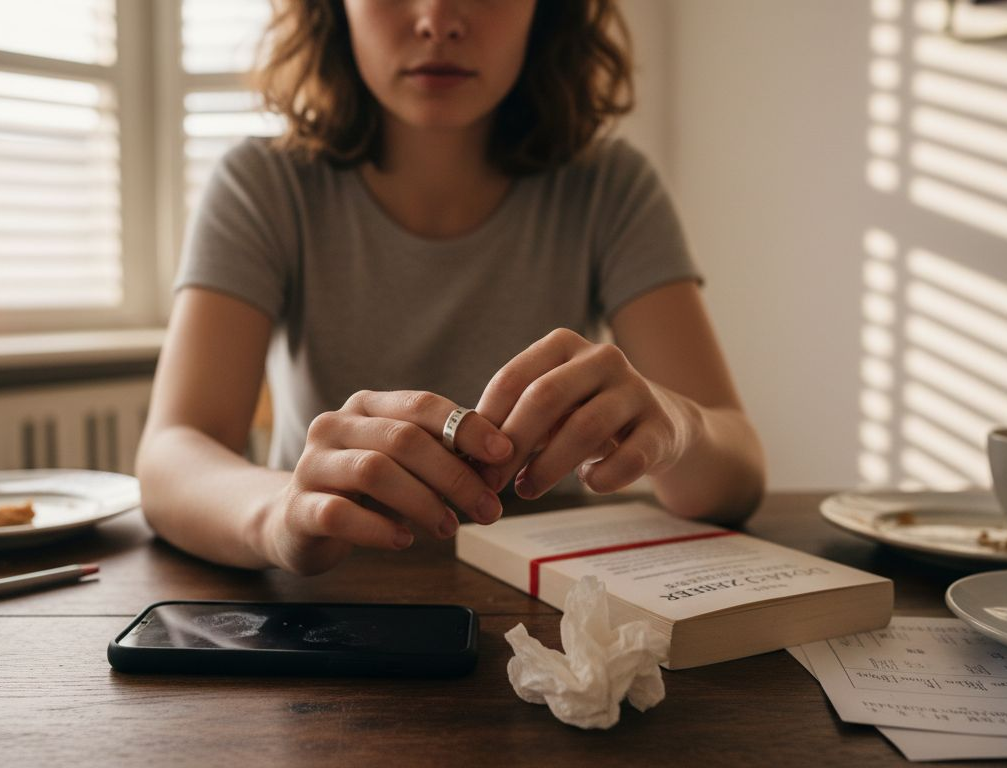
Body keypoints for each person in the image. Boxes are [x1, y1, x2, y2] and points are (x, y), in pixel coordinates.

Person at [137, 0, 765, 576]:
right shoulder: (263, 185)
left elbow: (732, 480)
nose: (438, 18)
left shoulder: (611, 186)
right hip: (331, 604)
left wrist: (676, 426)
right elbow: (171, 455)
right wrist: (277, 514)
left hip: (558, 601)